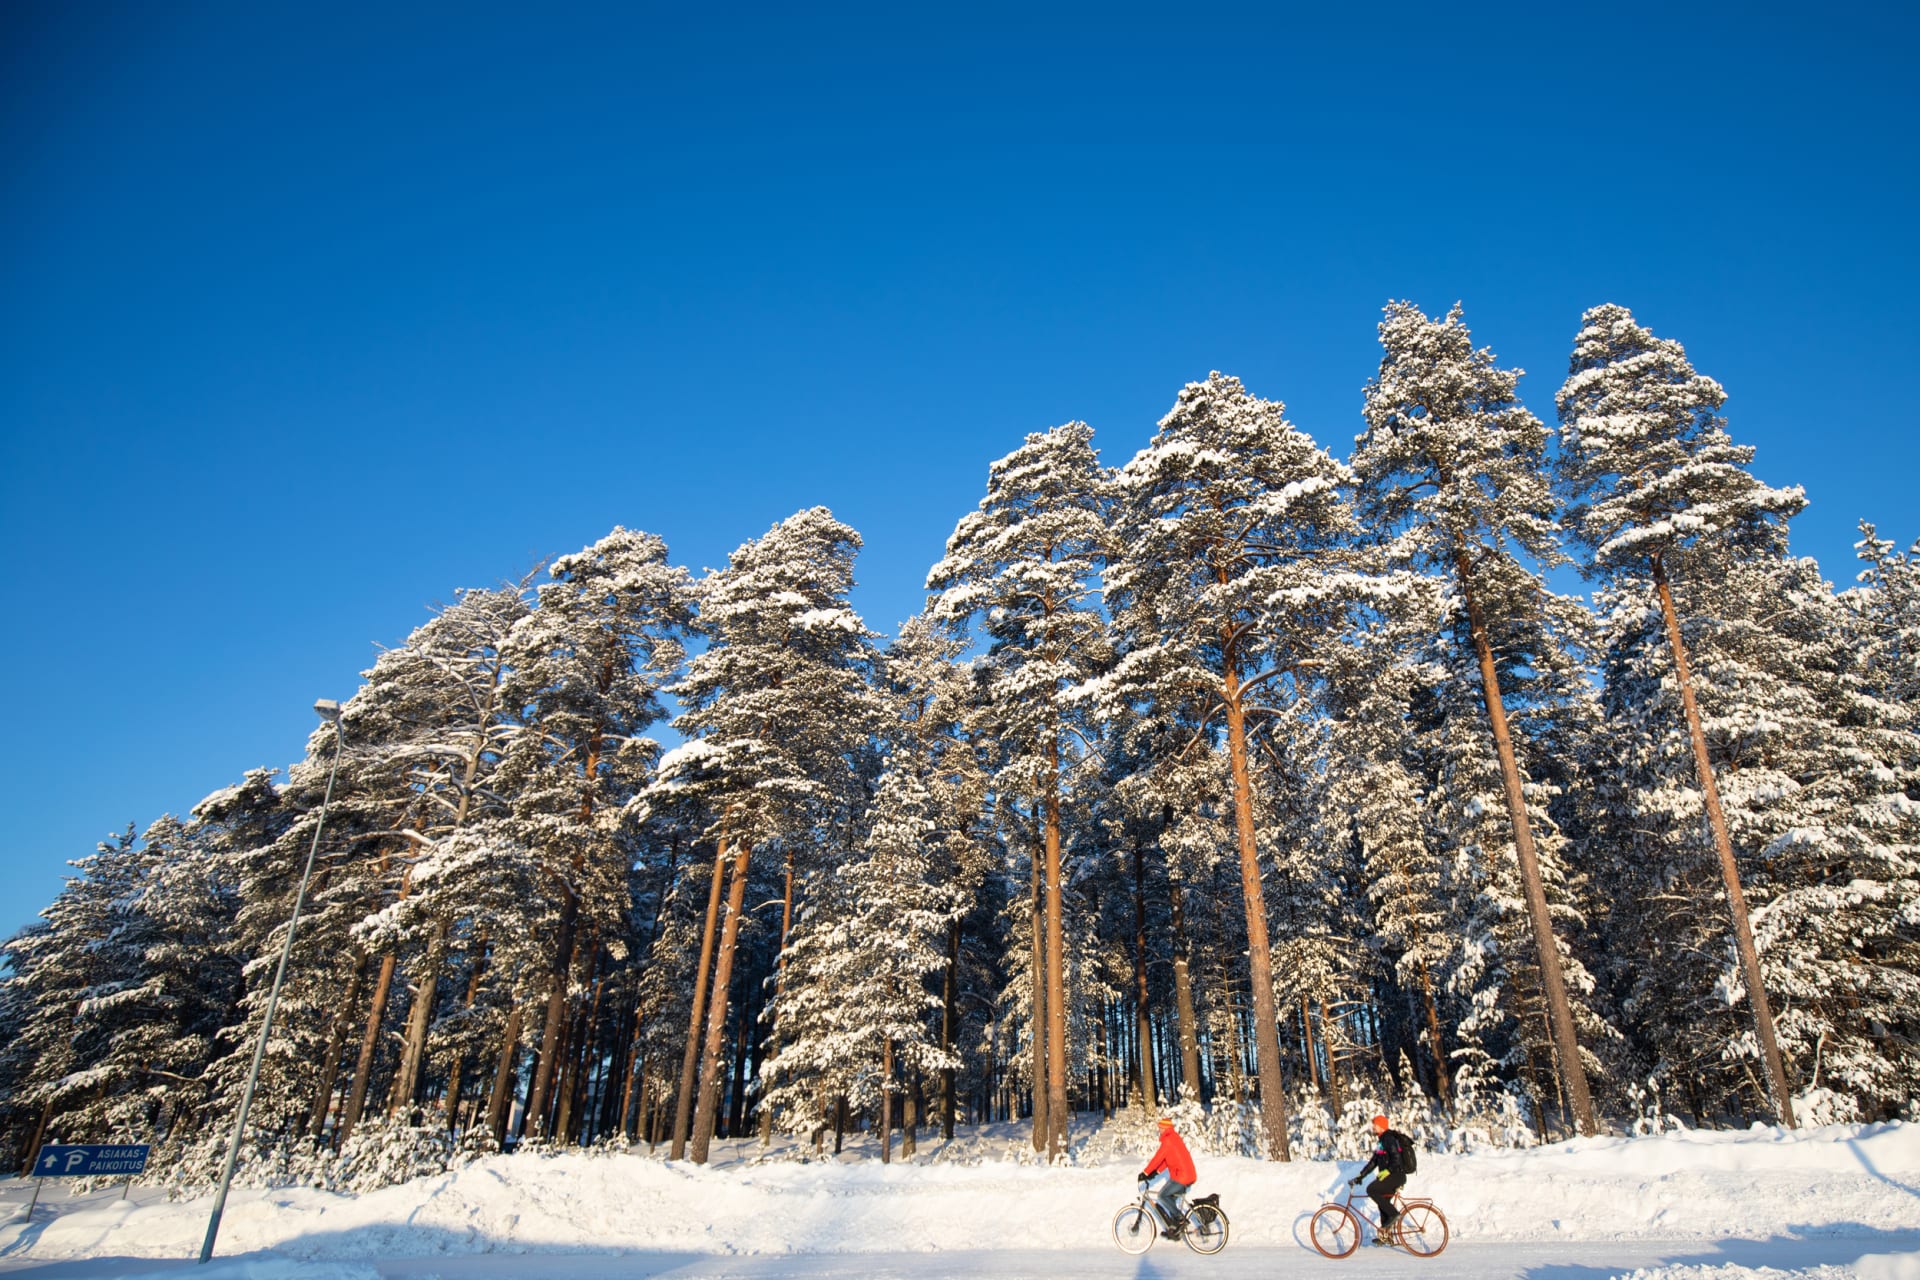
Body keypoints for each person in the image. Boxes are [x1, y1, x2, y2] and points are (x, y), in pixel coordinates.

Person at [1348, 1113, 1415, 1246]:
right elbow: (1374, 1162)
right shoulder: (1382, 1140)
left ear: (1381, 1126)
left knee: (1371, 1189)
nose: (1373, 1127)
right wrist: (1361, 1176)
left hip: (1396, 1175)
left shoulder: (1388, 1138)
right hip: (1392, 1176)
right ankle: (1386, 1235)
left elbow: (1396, 1158)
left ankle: (1394, 1214)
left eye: (1375, 1125)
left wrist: (1388, 1171)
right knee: (1382, 1202)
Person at [1138, 1115, 1197, 1238]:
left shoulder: (1168, 1140)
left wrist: (1146, 1172)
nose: (1159, 1130)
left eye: (1160, 1128)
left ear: (1165, 1128)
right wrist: (1156, 1173)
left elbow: (1158, 1158)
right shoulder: (1173, 1138)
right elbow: (1166, 1160)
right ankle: (1174, 1228)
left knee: (1162, 1196)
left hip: (1182, 1176)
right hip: (1187, 1174)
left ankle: (1180, 1220)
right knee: (1170, 1199)